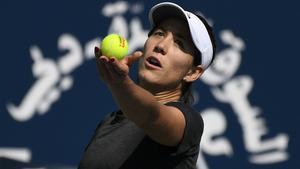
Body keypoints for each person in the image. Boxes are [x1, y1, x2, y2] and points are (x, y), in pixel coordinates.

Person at [78, 2, 216, 169]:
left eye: (179, 43)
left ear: (192, 73)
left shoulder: (190, 123)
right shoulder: (108, 122)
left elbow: (152, 116)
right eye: (159, 33)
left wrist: (120, 84)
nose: (161, 46)